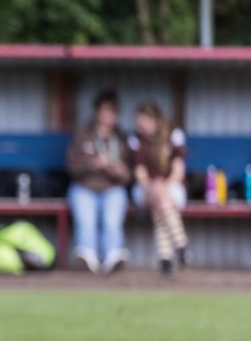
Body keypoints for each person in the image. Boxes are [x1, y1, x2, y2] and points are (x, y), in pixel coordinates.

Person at [65, 89, 131, 274]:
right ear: (96, 112)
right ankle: (87, 256)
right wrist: (92, 164)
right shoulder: (82, 134)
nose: (106, 116)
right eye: (103, 111)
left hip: (112, 187)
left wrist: (118, 170)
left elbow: (129, 176)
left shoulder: (121, 137)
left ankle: (112, 257)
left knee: (112, 221)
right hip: (84, 186)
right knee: (86, 221)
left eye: (111, 112)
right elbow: (71, 168)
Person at [127, 100, 189, 274]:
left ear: (154, 120)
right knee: (159, 196)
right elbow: (139, 173)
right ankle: (181, 245)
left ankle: (165, 258)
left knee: (160, 202)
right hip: (144, 190)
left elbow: (178, 170)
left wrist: (163, 187)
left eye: (143, 122)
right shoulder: (136, 139)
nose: (140, 126)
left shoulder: (173, 135)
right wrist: (153, 187)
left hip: (172, 188)